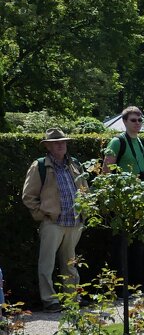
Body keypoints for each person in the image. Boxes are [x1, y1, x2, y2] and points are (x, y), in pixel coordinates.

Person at [21, 128, 88, 311]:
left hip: (74, 222)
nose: (61, 145)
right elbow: (28, 196)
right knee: (47, 264)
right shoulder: (40, 166)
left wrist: (85, 212)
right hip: (52, 223)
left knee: (71, 264)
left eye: (63, 142)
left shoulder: (74, 164)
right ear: (48, 146)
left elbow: (85, 190)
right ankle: (50, 301)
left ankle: (71, 298)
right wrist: (42, 215)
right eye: (56, 142)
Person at [102, 106, 144, 288]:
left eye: (139, 120)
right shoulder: (117, 142)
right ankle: (120, 286)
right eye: (133, 120)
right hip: (122, 199)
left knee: (139, 242)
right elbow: (106, 172)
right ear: (124, 122)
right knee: (120, 244)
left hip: (139, 198)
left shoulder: (142, 143)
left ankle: (137, 285)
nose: (137, 123)